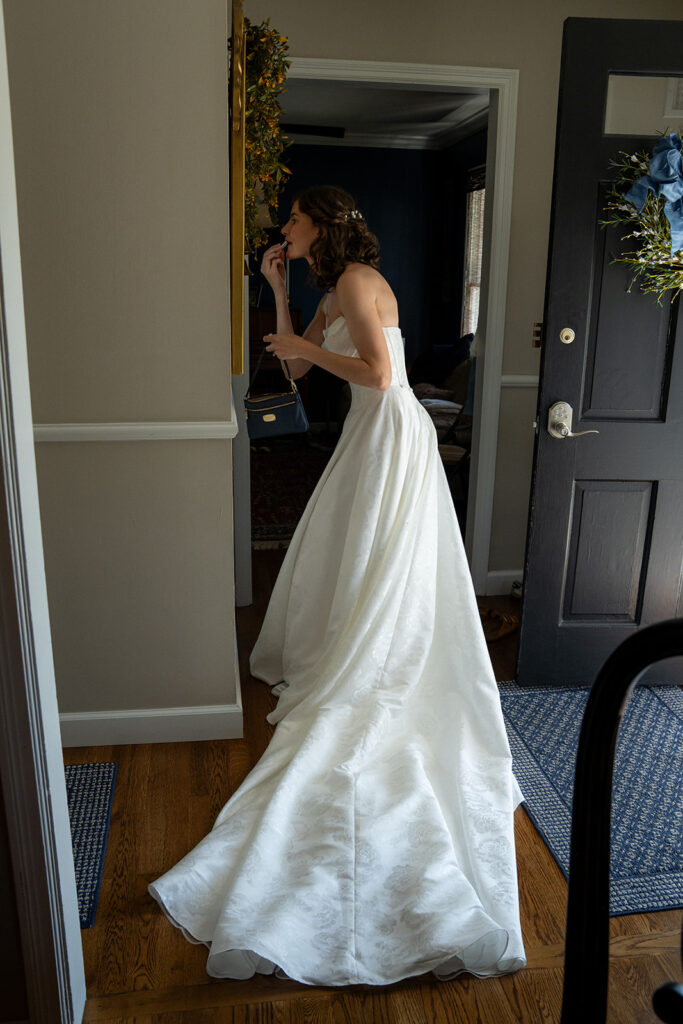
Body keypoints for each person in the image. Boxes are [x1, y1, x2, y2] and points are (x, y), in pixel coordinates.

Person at [148, 186, 526, 987]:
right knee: (349, 553)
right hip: (366, 434)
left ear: (321, 224)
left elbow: (382, 376)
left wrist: (317, 345)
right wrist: (279, 291)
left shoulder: (355, 279)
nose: (282, 227)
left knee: (378, 557)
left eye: (291, 219)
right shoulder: (327, 289)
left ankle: (380, 656)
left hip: (390, 436)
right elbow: (287, 359)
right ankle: (355, 636)